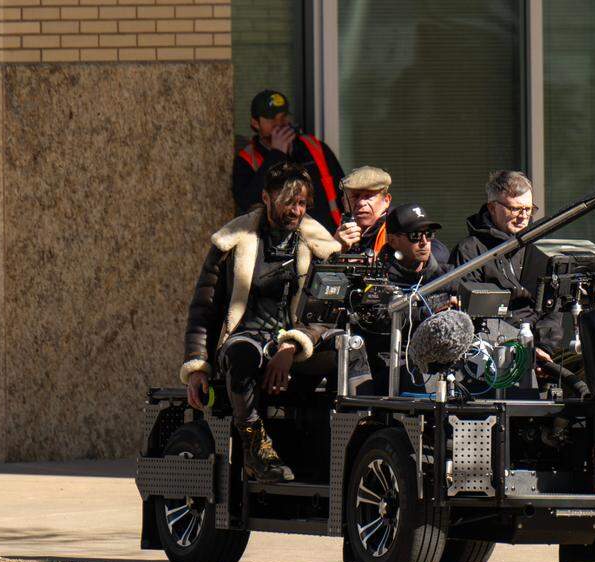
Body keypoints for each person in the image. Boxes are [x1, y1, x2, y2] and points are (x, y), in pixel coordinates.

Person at [182, 162, 369, 483]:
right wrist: (197, 367)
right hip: (245, 336)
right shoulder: (230, 243)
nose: (295, 210)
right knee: (241, 354)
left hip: (298, 341)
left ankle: (355, 448)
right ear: (267, 198)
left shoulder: (319, 244)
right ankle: (255, 446)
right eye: (288, 202)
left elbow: (327, 309)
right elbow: (204, 309)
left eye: (301, 204)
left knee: (348, 347)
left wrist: (291, 344)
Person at [451, 170, 557, 362]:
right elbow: (468, 313)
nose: (523, 217)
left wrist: (544, 347)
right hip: (487, 355)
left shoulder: (539, 247)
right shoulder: (470, 250)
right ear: (492, 208)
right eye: (515, 209)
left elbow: (552, 306)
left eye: (528, 209)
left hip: (537, 352)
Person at [233, 89, 355, 247]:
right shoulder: (247, 159)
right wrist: (277, 154)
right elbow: (248, 203)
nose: (280, 124)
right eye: (271, 119)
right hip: (277, 246)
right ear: (255, 123)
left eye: (283, 117)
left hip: (327, 239)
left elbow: (344, 192)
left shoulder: (314, 147)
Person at [359, 203, 454, 394]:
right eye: (415, 235)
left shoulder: (447, 275)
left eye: (429, 234)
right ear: (393, 241)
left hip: (439, 360)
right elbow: (383, 320)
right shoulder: (376, 278)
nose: (424, 242)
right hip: (391, 363)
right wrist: (431, 310)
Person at [338, 166, 450, 264]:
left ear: (386, 200)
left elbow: (439, 253)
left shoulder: (400, 221)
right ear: (344, 202)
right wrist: (335, 246)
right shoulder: (344, 226)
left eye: (368, 196)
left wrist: (381, 259)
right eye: (355, 196)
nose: (361, 203)